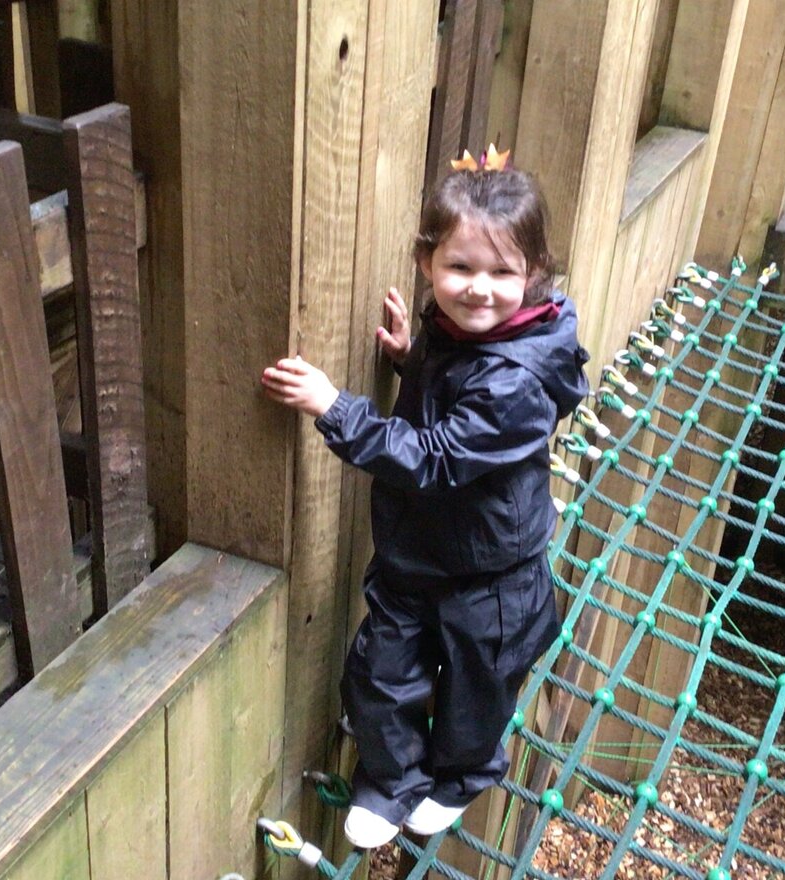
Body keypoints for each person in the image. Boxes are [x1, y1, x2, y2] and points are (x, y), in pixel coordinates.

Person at [260, 146, 590, 849]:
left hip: (490, 576)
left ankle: (465, 775)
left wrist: (334, 406)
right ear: (426, 263)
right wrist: (414, 358)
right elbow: (457, 381)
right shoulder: (453, 329)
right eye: (460, 268)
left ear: (535, 275)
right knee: (380, 678)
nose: (479, 288)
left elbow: (439, 455)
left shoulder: (519, 382)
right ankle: (394, 781)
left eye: (503, 272)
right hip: (417, 560)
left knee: (479, 688)